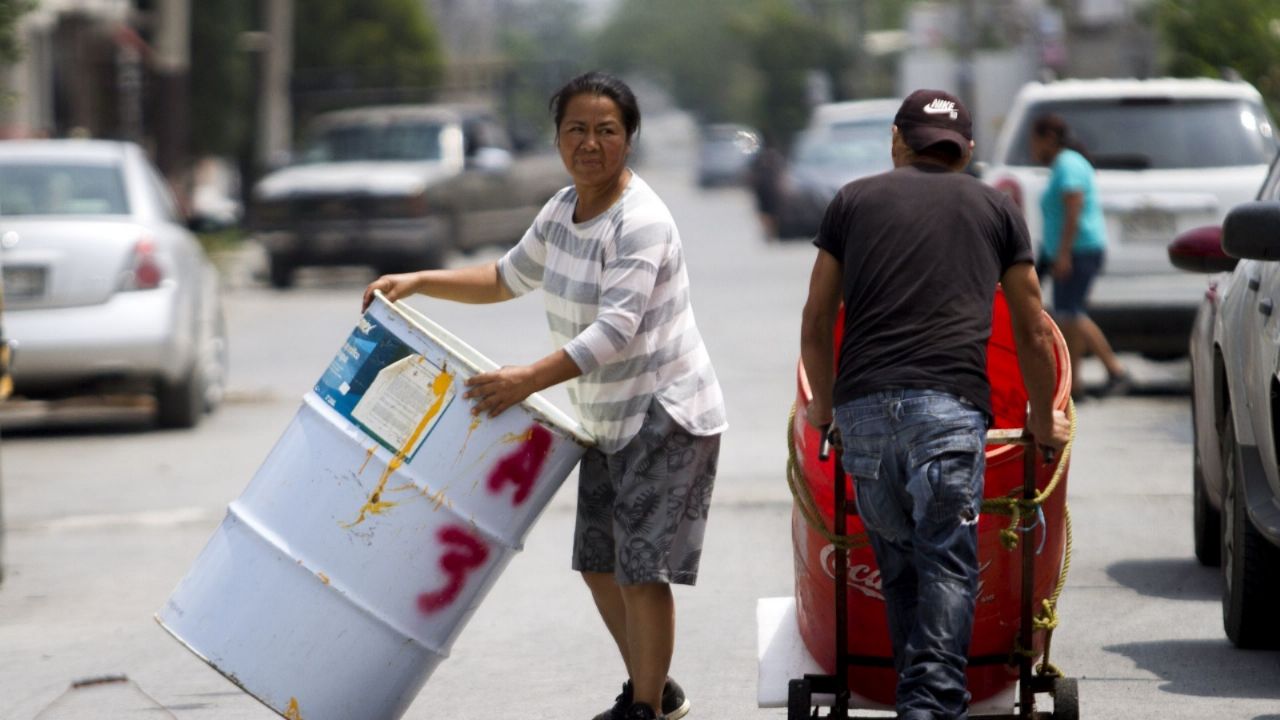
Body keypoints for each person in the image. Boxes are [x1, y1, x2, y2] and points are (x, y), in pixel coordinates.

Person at [362, 71, 725, 720]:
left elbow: (616, 331)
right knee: (598, 563)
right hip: (605, 415)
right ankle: (656, 687)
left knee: (643, 570)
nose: (591, 143)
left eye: (607, 131)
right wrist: (419, 280)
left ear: (629, 141)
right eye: (577, 130)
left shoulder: (639, 221)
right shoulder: (562, 210)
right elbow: (505, 278)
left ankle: (645, 709)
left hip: (664, 410)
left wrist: (524, 380)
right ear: (558, 139)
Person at [799, 89, 1070, 719]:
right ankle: (931, 707)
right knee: (947, 563)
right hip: (948, 412)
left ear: (897, 139)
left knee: (898, 566)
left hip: (863, 413)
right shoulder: (994, 207)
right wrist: (1037, 417)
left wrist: (822, 412)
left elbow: (816, 320)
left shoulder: (852, 201)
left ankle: (915, 701)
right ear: (966, 150)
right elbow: (1031, 330)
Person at [1029, 113, 1130, 399]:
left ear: (1048, 138)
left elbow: (1073, 209)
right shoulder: (1065, 164)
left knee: (1069, 315)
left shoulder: (1069, 164)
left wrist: (1063, 254)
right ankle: (1080, 383)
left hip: (1078, 250)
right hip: (1066, 251)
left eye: (1034, 142)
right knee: (1069, 315)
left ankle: (1109, 372)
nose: (1033, 150)